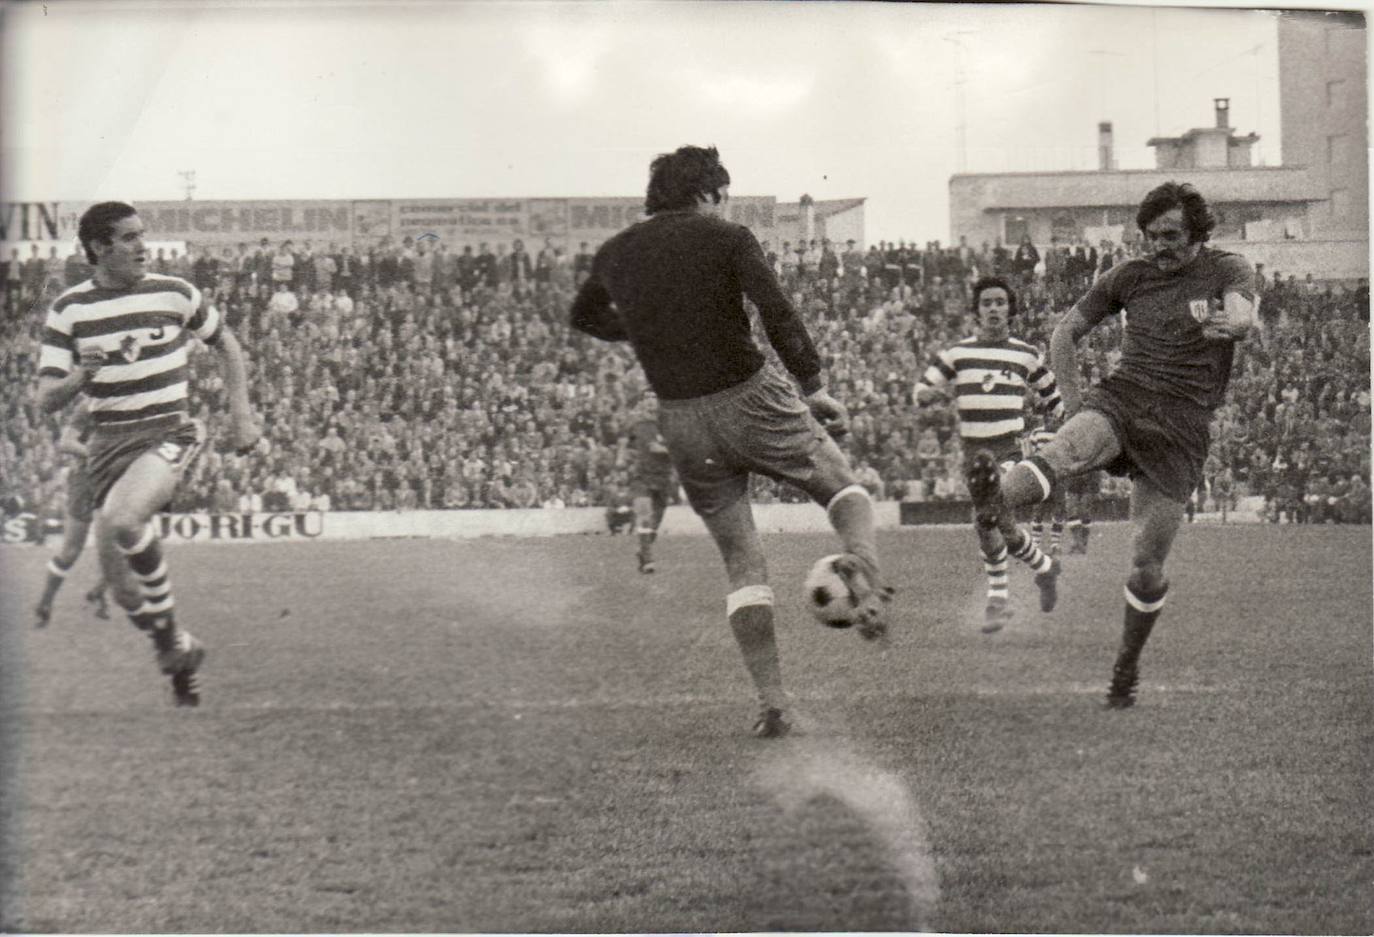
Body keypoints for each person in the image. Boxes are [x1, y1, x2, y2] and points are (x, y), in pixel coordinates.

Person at [570, 144, 891, 738]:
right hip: (750, 395)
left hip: (681, 417)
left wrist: (642, 329)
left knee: (743, 562)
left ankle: (773, 703)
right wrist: (814, 386)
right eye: (724, 197)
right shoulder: (728, 237)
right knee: (841, 486)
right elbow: (777, 311)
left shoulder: (616, 252)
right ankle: (864, 575)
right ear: (710, 193)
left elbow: (584, 317)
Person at [964, 182, 1257, 708]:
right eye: (1150, 236)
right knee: (1062, 451)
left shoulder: (1228, 268)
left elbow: (1241, 311)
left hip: (1182, 427)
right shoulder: (1128, 276)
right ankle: (997, 498)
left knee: (1146, 565)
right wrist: (1074, 407)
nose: (1159, 246)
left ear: (1196, 231)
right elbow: (1063, 334)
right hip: (1122, 399)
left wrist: (1237, 324)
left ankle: (1126, 666)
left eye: (1170, 235)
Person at [36, 201, 259, 707]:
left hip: (168, 432)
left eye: (143, 235)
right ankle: (178, 650)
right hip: (106, 448)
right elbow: (46, 398)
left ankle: (173, 648)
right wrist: (81, 376)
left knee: (122, 517)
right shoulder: (70, 309)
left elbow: (228, 346)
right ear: (99, 248)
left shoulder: (175, 293)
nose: (143, 246)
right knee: (124, 593)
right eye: (130, 238)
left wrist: (241, 417)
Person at [914, 277, 1064, 634]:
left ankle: (997, 601)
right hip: (973, 454)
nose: (994, 308)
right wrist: (929, 396)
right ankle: (1044, 569)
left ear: (1010, 309)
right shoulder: (958, 353)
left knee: (985, 520)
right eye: (986, 303)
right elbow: (923, 387)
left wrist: (1054, 429)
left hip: (1008, 449)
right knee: (1003, 527)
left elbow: (1056, 402)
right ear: (977, 310)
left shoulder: (1025, 354)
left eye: (1000, 302)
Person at [33, 399, 110, 627]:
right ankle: (45, 603)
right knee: (71, 551)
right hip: (85, 481)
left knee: (125, 541)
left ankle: (99, 592)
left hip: (112, 480)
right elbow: (66, 442)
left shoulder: (126, 405)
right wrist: (96, 454)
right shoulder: (89, 405)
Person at [626, 390, 675, 574]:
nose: (650, 402)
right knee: (644, 516)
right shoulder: (642, 425)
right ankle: (647, 559)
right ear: (641, 403)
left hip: (663, 477)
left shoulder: (669, 424)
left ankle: (642, 551)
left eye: (654, 397)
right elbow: (654, 447)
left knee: (657, 521)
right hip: (643, 477)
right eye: (646, 398)